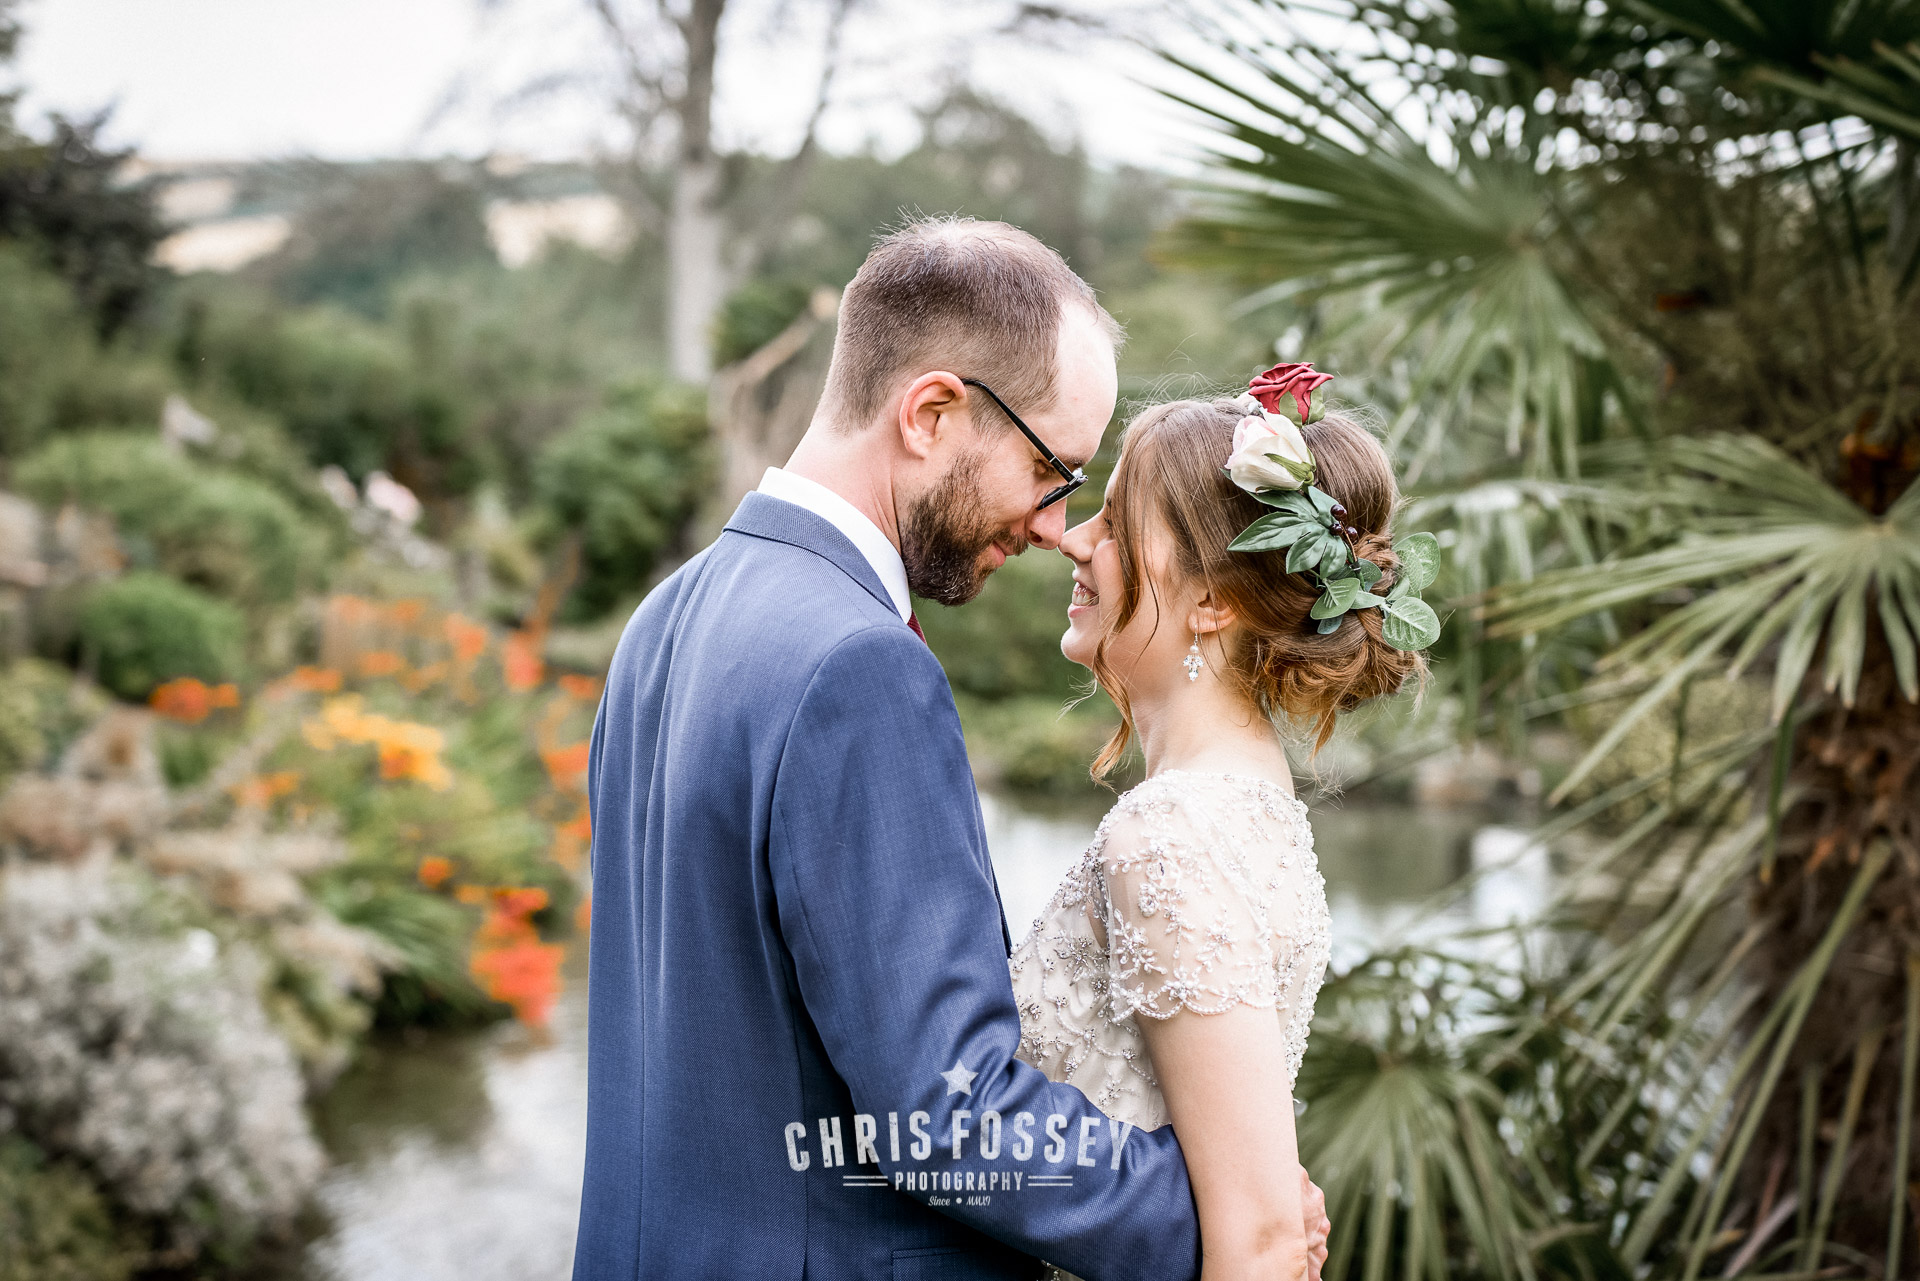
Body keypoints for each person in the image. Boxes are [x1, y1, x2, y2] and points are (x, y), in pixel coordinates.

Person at [576, 215, 1338, 1280]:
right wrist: (1223, 1215)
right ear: (933, 412)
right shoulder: (857, 663)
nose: (1049, 527)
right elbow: (944, 1107)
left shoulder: (661, 621)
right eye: (1052, 471)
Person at [1012, 380, 1434, 1281]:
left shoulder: (1172, 834)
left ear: (1212, 600)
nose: (1075, 537)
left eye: (1118, 524)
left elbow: (1260, 1241)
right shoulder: (1249, 808)